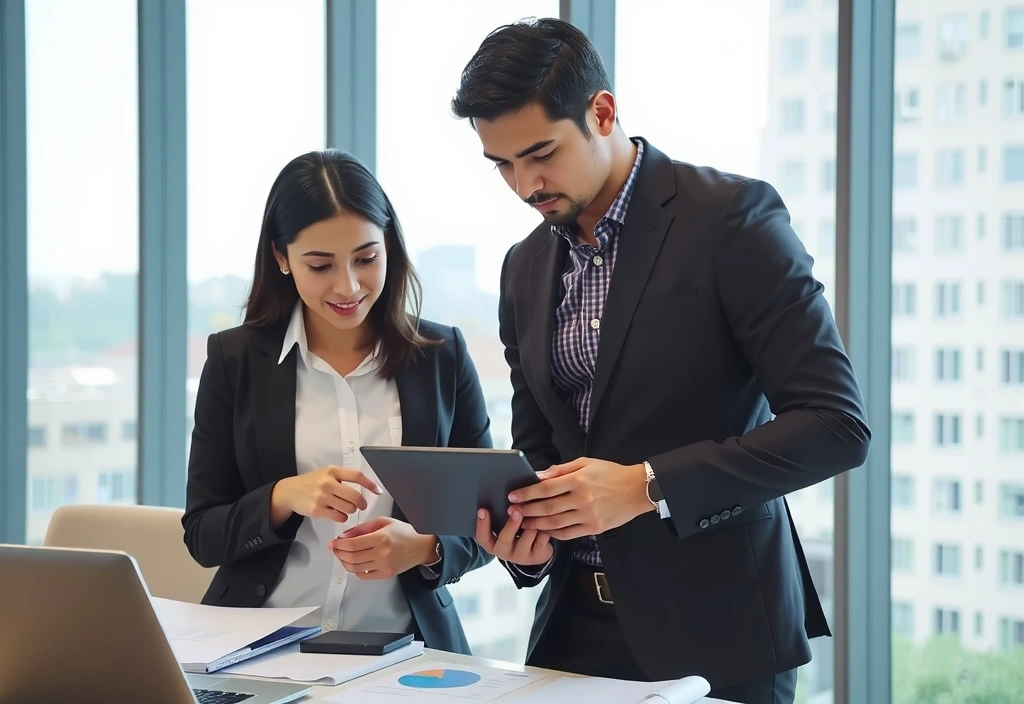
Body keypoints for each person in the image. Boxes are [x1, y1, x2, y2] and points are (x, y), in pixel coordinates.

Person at [452, 18, 871, 704]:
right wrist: (528, 543)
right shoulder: (524, 267)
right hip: (570, 636)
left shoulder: (731, 219)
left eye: (541, 154)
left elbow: (836, 426)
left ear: (603, 112)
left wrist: (647, 484)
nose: (526, 184)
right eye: (502, 165)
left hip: (717, 632)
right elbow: (540, 455)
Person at [182, 149, 493, 655]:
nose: (347, 286)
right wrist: (283, 496)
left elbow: (486, 520)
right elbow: (202, 534)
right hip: (262, 649)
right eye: (320, 265)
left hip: (406, 654)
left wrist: (422, 548)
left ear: (389, 245)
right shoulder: (234, 360)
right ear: (282, 258)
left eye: (366, 258)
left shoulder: (443, 357)